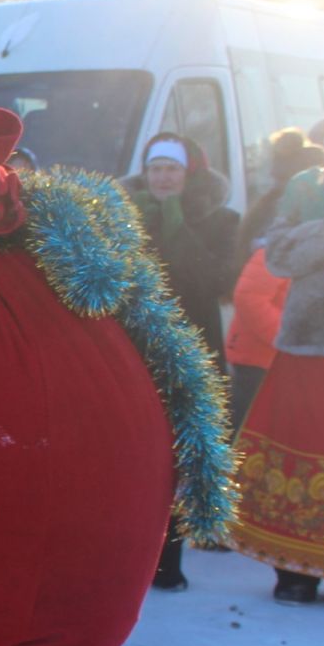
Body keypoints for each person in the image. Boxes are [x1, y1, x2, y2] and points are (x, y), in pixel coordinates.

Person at [230, 94, 324, 607]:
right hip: (313, 348)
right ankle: (293, 570)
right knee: (302, 454)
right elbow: (280, 253)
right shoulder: (308, 188)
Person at [126, 132, 240, 590]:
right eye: (156, 168)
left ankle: (168, 560)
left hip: (191, 347)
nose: (163, 177)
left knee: (177, 451)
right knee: (135, 450)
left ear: (188, 173)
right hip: (135, 346)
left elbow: (213, 279)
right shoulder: (125, 213)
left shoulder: (221, 220)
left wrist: (176, 222)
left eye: (172, 169)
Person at [226, 129, 324, 430]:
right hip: (261, 363)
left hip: (279, 362)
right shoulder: (282, 242)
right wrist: (286, 338)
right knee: (249, 438)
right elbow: (249, 296)